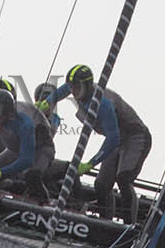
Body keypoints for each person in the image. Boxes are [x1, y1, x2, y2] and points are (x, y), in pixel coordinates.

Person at [41, 63, 152, 223]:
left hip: (135, 137)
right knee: (101, 184)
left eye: (77, 87)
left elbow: (112, 139)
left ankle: (129, 226)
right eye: (72, 86)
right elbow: (65, 89)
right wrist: (49, 101)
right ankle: (104, 222)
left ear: (86, 85)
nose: (73, 91)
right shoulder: (78, 88)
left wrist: (90, 163)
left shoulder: (103, 104)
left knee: (123, 178)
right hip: (118, 139)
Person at [20, 82, 68, 202]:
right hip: (25, 157)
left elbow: (50, 132)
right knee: (36, 175)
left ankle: (72, 203)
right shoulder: (28, 112)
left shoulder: (55, 118)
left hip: (44, 157)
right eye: (43, 98)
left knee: (67, 169)